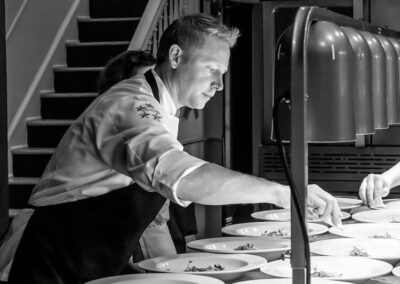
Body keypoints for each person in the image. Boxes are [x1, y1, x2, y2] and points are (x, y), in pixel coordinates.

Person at [0, 14, 341, 284]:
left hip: (93, 259)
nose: (219, 86)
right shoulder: (130, 104)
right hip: (49, 260)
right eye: (212, 71)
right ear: (176, 56)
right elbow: (179, 174)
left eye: (222, 74)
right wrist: (283, 193)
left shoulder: (162, 106)